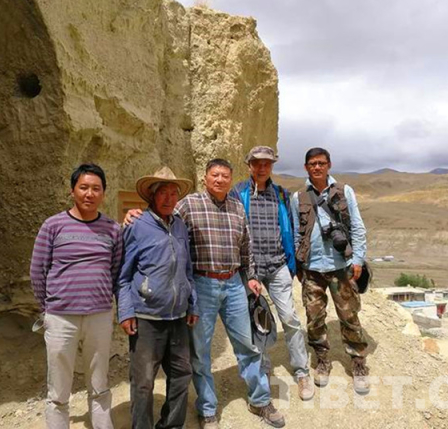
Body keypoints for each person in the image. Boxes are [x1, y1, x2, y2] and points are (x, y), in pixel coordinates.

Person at [126, 159, 285, 429]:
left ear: (231, 179)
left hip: (234, 283)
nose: (220, 179)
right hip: (202, 284)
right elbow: (161, 217)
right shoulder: (188, 204)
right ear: (205, 178)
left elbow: (246, 246)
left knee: (248, 345)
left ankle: (260, 399)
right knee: (200, 352)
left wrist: (251, 276)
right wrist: (135, 214)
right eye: (215, 175)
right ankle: (207, 408)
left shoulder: (237, 206)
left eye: (225, 175)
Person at [30, 163, 123, 429]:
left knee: (99, 381)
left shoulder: (112, 229)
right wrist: (48, 308)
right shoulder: (53, 226)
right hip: (61, 317)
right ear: (72, 191)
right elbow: (38, 270)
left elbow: (115, 270)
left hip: (100, 316)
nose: (89, 194)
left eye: (96, 188)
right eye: (83, 187)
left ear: (104, 193)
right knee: (58, 385)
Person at [116, 166, 199, 429]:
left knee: (181, 375)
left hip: (178, 317)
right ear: (152, 195)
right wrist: (126, 311)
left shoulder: (181, 226)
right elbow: (122, 275)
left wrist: (192, 303)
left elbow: (187, 270)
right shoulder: (137, 225)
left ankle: (171, 425)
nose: (168, 198)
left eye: (173, 193)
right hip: (147, 317)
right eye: (163, 192)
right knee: (143, 382)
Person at [230, 146, 314, 401]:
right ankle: (264, 370)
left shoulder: (281, 195)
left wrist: (293, 262)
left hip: (278, 265)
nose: (262, 167)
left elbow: (293, 228)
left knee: (289, 317)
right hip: (251, 270)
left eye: (267, 163)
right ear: (249, 166)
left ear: (272, 166)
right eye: (257, 163)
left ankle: (302, 371)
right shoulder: (238, 193)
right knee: (258, 322)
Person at [290, 147, 370, 395]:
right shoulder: (298, 198)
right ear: (306, 167)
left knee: (349, 315)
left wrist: (358, 259)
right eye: (312, 163)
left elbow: (357, 226)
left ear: (329, 165)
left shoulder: (344, 191)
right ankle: (322, 361)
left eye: (321, 163)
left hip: (341, 266)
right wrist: (299, 264)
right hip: (312, 267)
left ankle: (358, 363)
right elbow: (296, 233)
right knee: (314, 317)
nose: (317, 167)